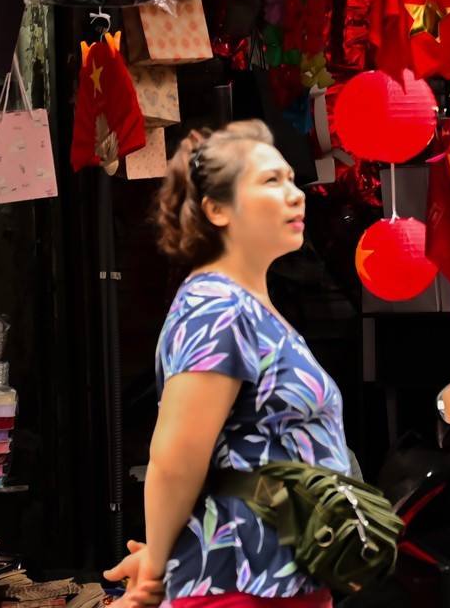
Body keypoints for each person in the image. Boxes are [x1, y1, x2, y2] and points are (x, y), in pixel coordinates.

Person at [106, 123, 350, 608]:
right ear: (217, 209)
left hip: (283, 580)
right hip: (241, 586)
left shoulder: (251, 305)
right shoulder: (217, 307)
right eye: (270, 182)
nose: (295, 195)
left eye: (292, 179)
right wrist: (155, 573)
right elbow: (176, 458)